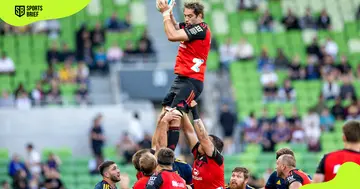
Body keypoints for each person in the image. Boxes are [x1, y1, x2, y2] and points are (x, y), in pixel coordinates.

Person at [154, 0, 211, 151]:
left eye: (190, 16)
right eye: (185, 15)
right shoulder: (193, 27)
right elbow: (177, 26)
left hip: (192, 81)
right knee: (163, 117)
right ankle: (157, 150)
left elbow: (172, 35)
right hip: (181, 79)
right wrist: (170, 14)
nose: (187, 19)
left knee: (173, 117)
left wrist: (165, 14)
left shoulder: (201, 29)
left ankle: (168, 157)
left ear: (200, 16)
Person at [181, 101, 225, 189]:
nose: (201, 142)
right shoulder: (199, 153)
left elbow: (203, 138)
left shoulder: (216, 160)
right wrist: (182, 111)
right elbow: (188, 131)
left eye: (208, 141)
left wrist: (194, 111)